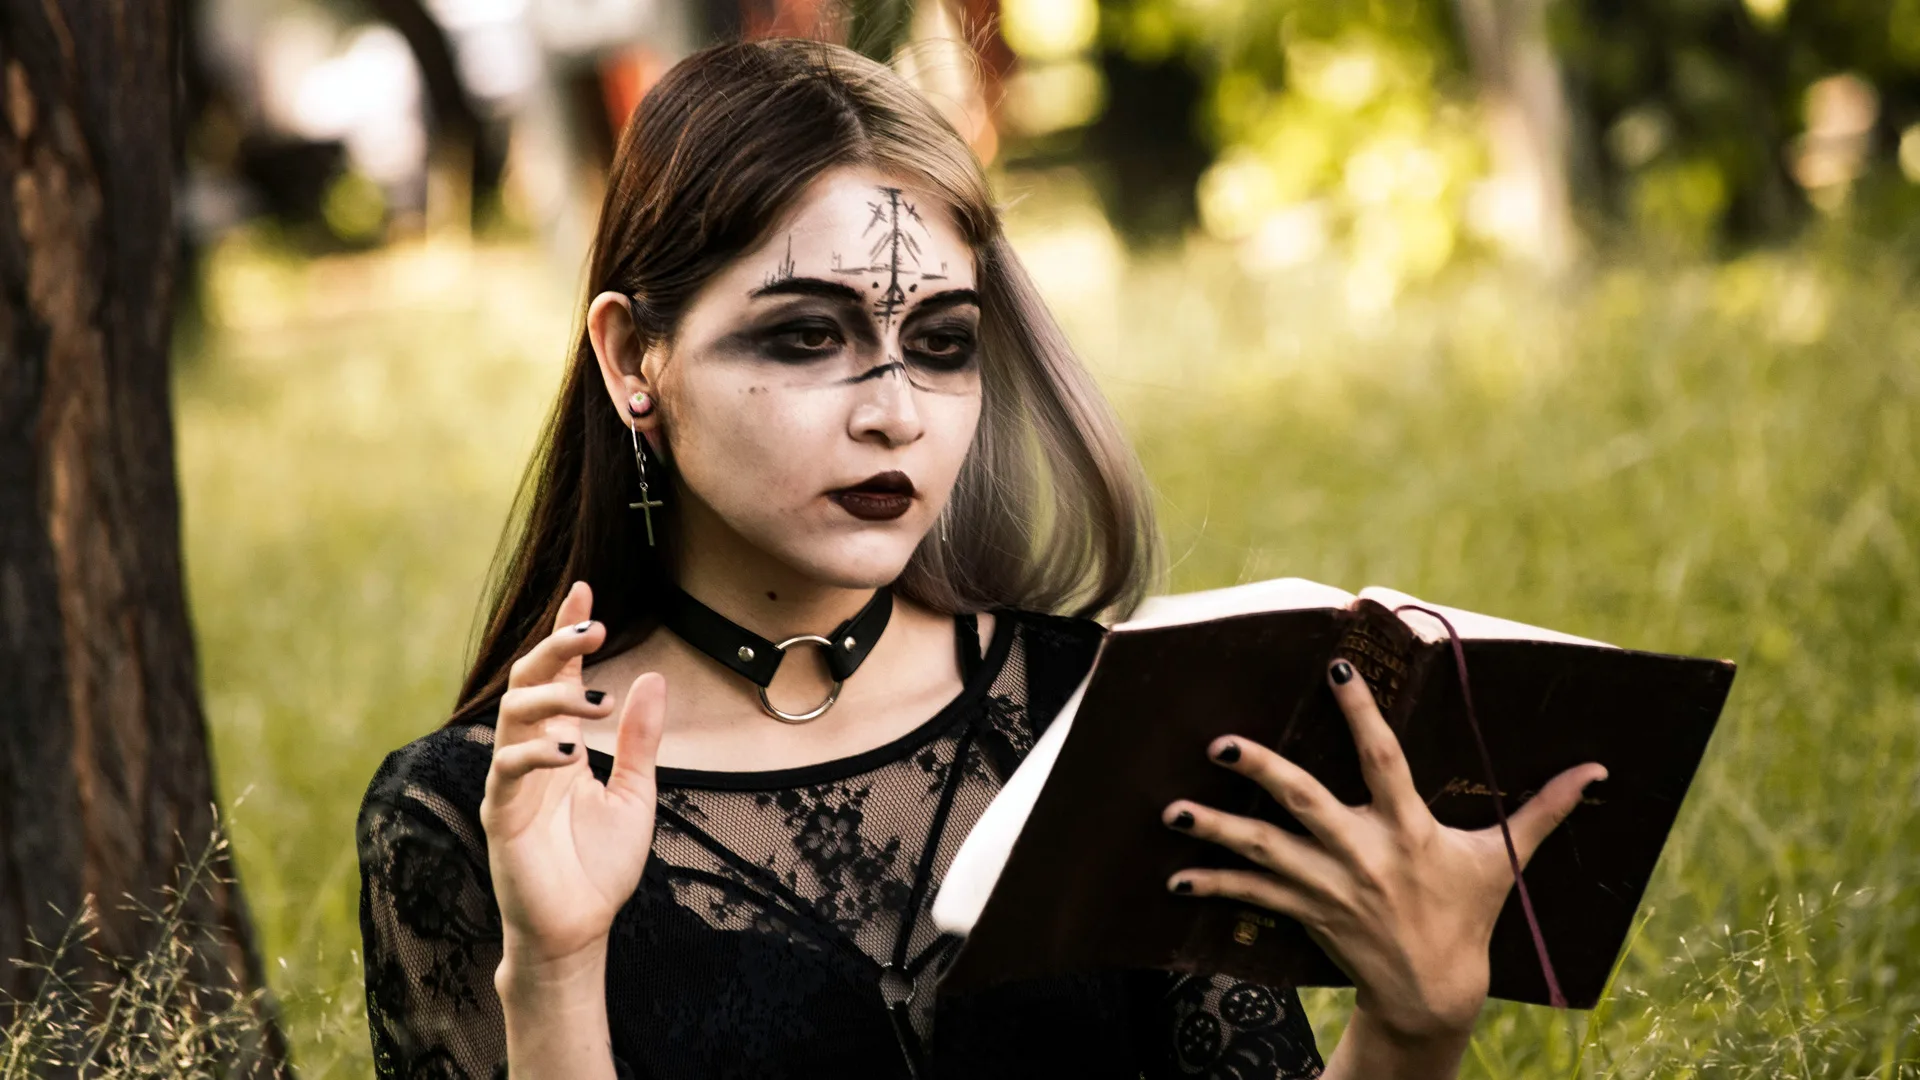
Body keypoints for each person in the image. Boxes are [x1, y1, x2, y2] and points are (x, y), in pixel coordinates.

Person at [354, 37, 1607, 1080]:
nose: (895, 409)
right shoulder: (479, 812)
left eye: (943, 342)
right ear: (635, 361)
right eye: (805, 337)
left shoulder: (1110, 717)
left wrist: (1412, 1026)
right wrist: (560, 973)